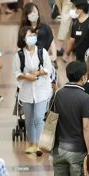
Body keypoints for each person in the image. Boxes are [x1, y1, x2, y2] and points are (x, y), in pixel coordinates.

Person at [15, 24, 55, 155]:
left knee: (39, 118)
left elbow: (49, 69)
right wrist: (26, 76)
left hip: (41, 90)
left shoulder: (41, 52)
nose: (32, 37)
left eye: (33, 35)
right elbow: (16, 73)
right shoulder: (19, 55)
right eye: (29, 35)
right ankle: (31, 143)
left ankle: (39, 144)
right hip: (26, 91)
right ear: (23, 38)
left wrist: (38, 73)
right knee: (29, 119)